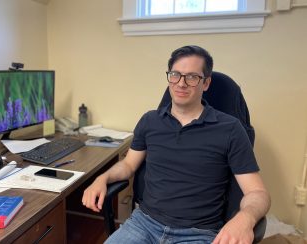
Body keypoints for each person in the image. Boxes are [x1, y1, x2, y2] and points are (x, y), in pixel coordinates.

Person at [82, 45, 271, 244]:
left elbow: (257, 193)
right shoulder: (150, 120)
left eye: (192, 77)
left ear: (205, 83)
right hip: (144, 224)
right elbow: (128, 165)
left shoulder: (230, 129)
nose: (181, 83)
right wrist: (102, 178)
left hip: (198, 233)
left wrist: (245, 219)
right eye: (175, 75)